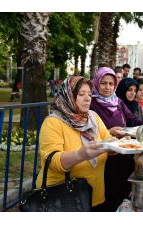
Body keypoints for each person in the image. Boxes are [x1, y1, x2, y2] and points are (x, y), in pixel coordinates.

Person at [36, 75, 111, 211]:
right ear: (68, 96)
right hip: (64, 199)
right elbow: (52, 160)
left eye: (89, 94)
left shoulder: (93, 117)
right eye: (81, 94)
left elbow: (108, 139)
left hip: (94, 195)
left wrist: (122, 144)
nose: (88, 98)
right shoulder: (53, 122)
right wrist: (80, 155)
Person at [90, 67, 143, 211]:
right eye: (104, 83)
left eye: (111, 84)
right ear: (96, 83)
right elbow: (90, 133)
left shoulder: (118, 101)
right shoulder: (91, 103)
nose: (108, 87)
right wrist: (109, 132)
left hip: (122, 151)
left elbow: (131, 118)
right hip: (104, 154)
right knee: (107, 190)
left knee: (122, 187)